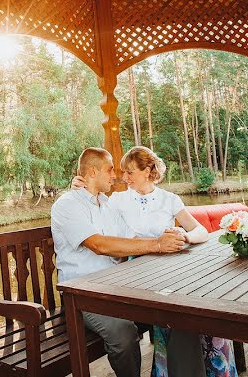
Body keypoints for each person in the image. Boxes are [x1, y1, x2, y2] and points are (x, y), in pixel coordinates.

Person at [73, 146, 238, 377]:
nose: (123, 177)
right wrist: (77, 187)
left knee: (204, 301)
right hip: (137, 271)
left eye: (130, 172)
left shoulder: (169, 199)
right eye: (121, 172)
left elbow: (200, 230)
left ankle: (217, 368)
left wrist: (185, 236)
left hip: (171, 265)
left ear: (148, 171)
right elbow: (92, 201)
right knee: (177, 309)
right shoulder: (117, 200)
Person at [51, 147, 187, 377]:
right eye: (110, 169)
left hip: (115, 287)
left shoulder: (107, 205)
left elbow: (131, 239)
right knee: (123, 331)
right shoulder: (67, 205)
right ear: (93, 172)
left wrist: (168, 239)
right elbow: (99, 245)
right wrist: (156, 244)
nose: (115, 175)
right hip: (81, 295)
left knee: (172, 305)